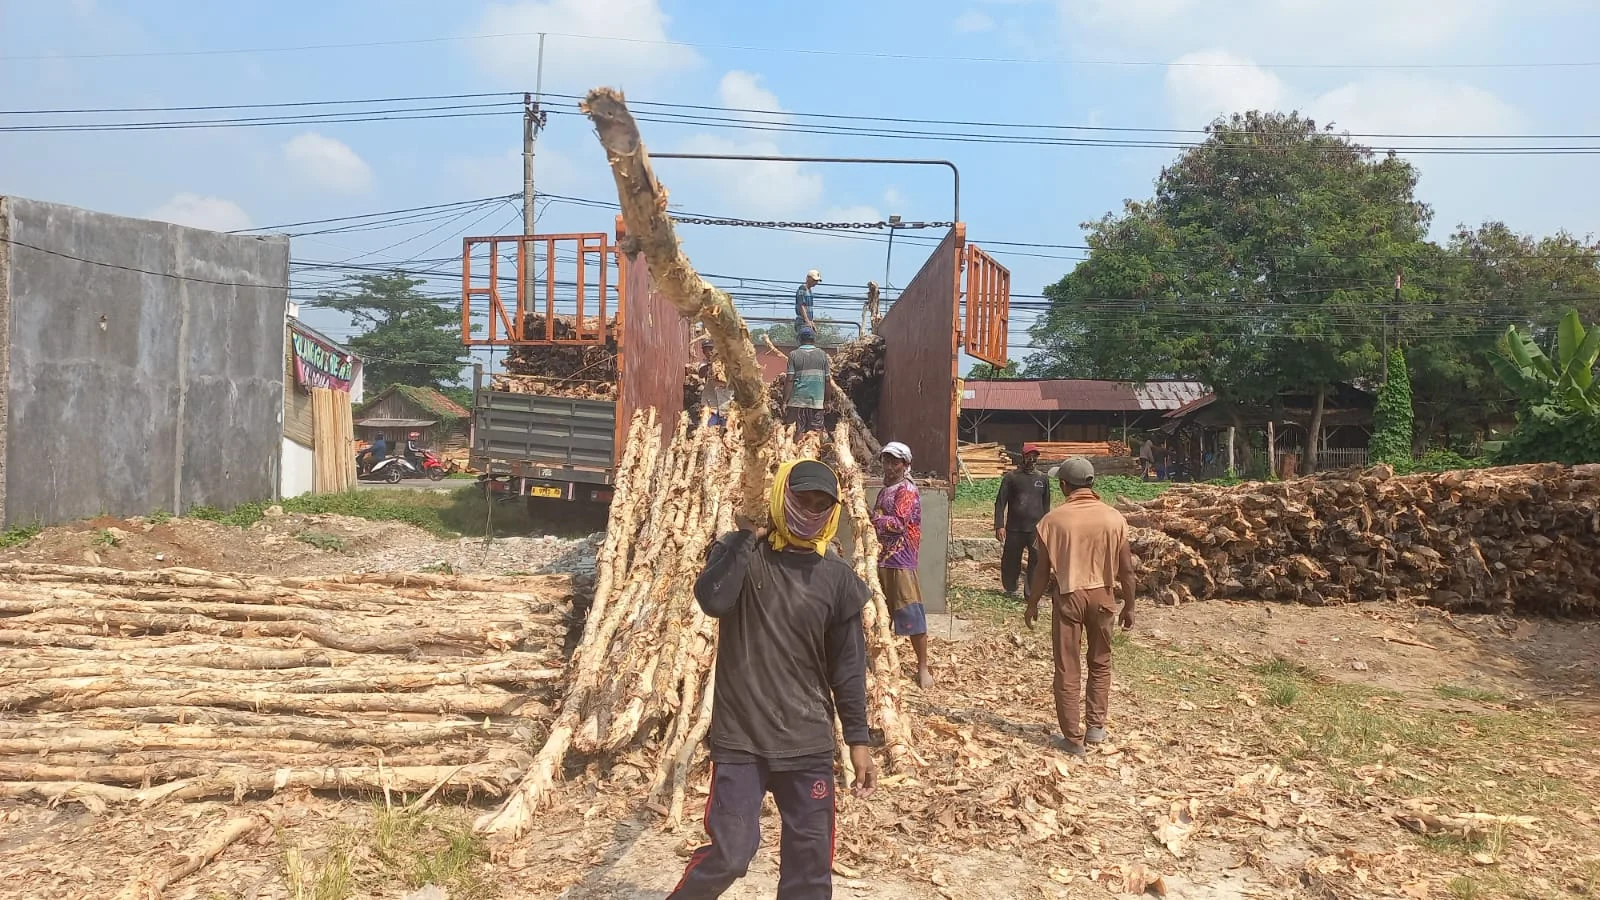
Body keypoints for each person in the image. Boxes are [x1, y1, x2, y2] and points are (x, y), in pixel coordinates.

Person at [668, 459, 877, 900]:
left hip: (808, 744)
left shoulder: (838, 579)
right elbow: (712, 599)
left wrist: (859, 740)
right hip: (742, 740)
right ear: (782, 495)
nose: (811, 510)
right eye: (802, 499)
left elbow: (849, 668)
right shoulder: (745, 558)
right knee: (731, 853)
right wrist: (746, 536)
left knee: (809, 871)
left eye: (822, 503)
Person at [1024, 457, 1137, 759]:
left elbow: (1041, 571)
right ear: (1091, 483)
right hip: (1103, 595)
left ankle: (1073, 739)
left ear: (1063, 485)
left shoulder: (1052, 521)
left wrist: (1032, 603)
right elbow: (1126, 570)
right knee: (1100, 661)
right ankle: (1096, 727)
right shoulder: (1114, 518)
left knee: (1067, 666)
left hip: (1069, 595)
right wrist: (1130, 606)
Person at [872, 441, 933, 689]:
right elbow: (878, 515)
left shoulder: (906, 490)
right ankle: (879, 660)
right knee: (880, 609)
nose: (889, 466)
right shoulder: (886, 490)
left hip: (901, 558)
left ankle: (923, 668)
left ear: (905, 465)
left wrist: (873, 519)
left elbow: (897, 524)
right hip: (882, 557)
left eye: (894, 462)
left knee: (910, 611)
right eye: (886, 460)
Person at [994, 443, 1052, 597]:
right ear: (1023, 457)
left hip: (1036, 530)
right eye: (1029, 456)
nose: (1032, 459)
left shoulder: (1043, 478)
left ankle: (1031, 594)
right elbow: (1000, 503)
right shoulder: (1011, 478)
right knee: (1011, 561)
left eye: (1035, 456)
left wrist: (1046, 528)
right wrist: (999, 525)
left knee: (1036, 561)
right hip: (1014, 528)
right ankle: (1010, 588)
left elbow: (1046, 505)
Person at [782, 327, 829, 435]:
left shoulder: (793, 355)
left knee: (797, 433)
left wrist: (785, 401)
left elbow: (789, 379)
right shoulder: (823, 355)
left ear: (799, 339)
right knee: (815, 435)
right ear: (814, 339)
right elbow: (827, 380)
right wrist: (827, 401)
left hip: (797, 401)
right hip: (817, 402)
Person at [697, 338, 732, 427]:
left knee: (727, 429)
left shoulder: (725, 363)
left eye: (711, 349)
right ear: (703, 352)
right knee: (709, 428)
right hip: (710, 403)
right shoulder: (704, 364)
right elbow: (701, 374)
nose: (709, 352)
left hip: (726, 402)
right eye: (706, 350)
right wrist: (710, 364)